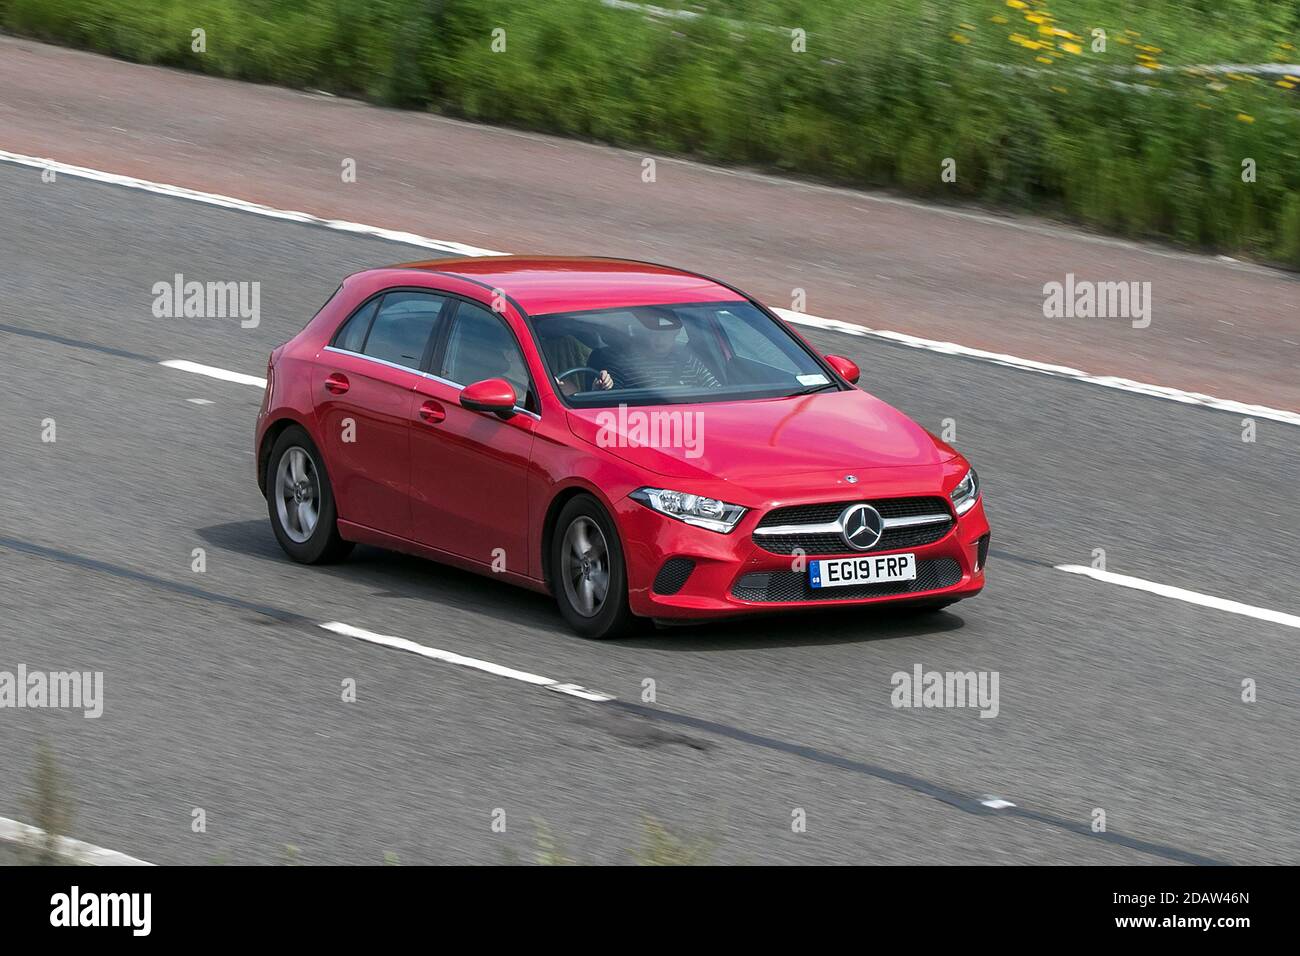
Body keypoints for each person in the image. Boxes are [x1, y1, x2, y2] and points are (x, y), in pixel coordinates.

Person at [594, 312, 719, 390]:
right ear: (645, 334)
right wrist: (603, 386)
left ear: (676, 333)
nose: (660, 339)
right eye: (654, 333)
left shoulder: (689, 361)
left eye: (666, 333)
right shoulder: (623, 366)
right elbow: (610, 404)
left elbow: (717, 392)